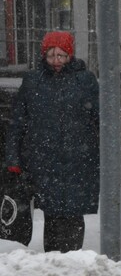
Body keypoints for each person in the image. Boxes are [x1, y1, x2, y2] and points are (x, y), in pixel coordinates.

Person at [5, 31, 100, 252]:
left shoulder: (85, 81)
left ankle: (72, 260)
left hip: (77, 160)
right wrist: (13, 157)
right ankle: (54, 259)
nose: (56, 61)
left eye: (61, 55)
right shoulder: (33, 82)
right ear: (43, 55)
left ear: (70, 55)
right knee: (52, 214)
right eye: (51, 55)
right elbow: (18, 122)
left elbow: (100, 120)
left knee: (73, 214)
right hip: (44, 160)